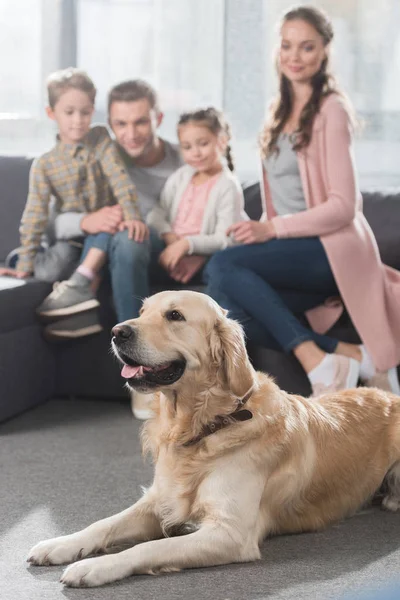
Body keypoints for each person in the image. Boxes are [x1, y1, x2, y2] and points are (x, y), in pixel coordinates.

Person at [204, 5, 400, 397]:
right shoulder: (277, 110)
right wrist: (257, 231)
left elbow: (345, 205)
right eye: (287, 46)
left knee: (223, 265)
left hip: (334, 249)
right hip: (294, 250)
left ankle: (322, 361)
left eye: (306, 47)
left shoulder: (332, 110)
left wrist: (271, 229)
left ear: (325, 51)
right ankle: (342, 355)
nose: (294, 57)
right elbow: (282, 198)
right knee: (224, 301)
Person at [47, 79, 183, 418]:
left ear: (158, 119)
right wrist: (85, 221)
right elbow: (52, 224)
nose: (130, 133)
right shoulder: (99, 157)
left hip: (170, 250)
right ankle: (141, 371)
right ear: (110, 125)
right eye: (120, 124)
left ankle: (81, 286)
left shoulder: (184, 158)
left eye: (140, 121)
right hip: (123, 252)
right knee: (127, 236)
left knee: (131, 234)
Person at [0, 67, 143, 338]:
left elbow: (120, 179)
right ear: (52, 113)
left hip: (108, 230)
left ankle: (83, 286)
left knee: (113, 218)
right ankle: (76, 286)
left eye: (85, 112)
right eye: (69, 112)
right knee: (54, 265)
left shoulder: (101, 139)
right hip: (74, 238)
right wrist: (25, 263)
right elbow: (35, 214)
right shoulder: (46, 164)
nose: (78, 121)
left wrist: (133, 214)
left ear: (92, 111)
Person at [147, 107, 245, 285]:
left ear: (222, 141)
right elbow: (156, 213)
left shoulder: (227, 185)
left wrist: (186, 245)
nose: (196, 153)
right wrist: (169, 236)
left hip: (203, 256)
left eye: (203, 144)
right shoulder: (181, 176)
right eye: (187, 147)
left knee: (218, 269)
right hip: (170, 249)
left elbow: (224, 239)